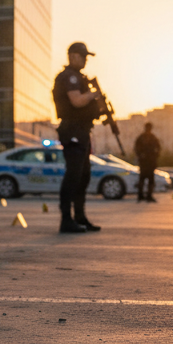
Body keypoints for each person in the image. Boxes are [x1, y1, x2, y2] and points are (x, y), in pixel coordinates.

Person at [52, 42, 103, 233]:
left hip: (81, 131)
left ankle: (79, 217)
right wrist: (93, 95)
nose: (86, 60)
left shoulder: (78, 77)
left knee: (83, 175)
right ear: (73, 56)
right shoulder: (69, 77)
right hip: (72, 130)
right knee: (73, 175)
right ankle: (66, 219)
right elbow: (76, 100)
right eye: (83, 56)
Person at [133, 123, 161, 202]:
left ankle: (148, 196)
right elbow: (136, 148)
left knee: (149, 180)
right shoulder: (142, 138)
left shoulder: (153, 138)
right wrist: (140, 156)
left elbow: (158, 149)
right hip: (145, 162)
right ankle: (141, 195)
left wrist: (155, 157)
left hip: (150, 162)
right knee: (142, 179)